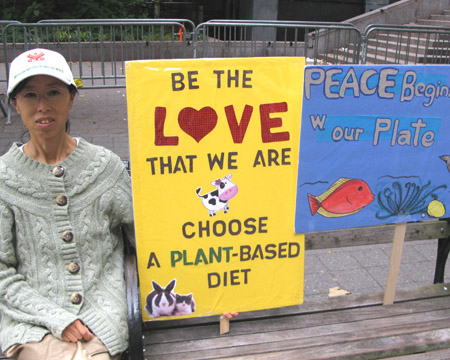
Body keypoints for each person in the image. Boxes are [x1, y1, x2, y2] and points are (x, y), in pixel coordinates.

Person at [0, 48, 135, 359]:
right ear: (15, 105)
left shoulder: (105, 168)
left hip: (101, 316)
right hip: (32, 324)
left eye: (54, 92)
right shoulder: (5, 179)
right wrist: (57, 319)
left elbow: (148, 239)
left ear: (72, 98)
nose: (43, 105)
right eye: (30, 95)